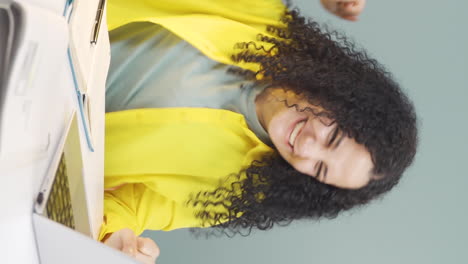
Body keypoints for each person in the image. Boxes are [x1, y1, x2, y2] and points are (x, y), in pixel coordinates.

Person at [100, 0, 417, 263]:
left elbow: (127, 208)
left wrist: (119, 239)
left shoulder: (232, 192)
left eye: (319, 170)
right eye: (332, 137)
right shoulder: (263, 19)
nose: (306, 148)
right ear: (340, 95)